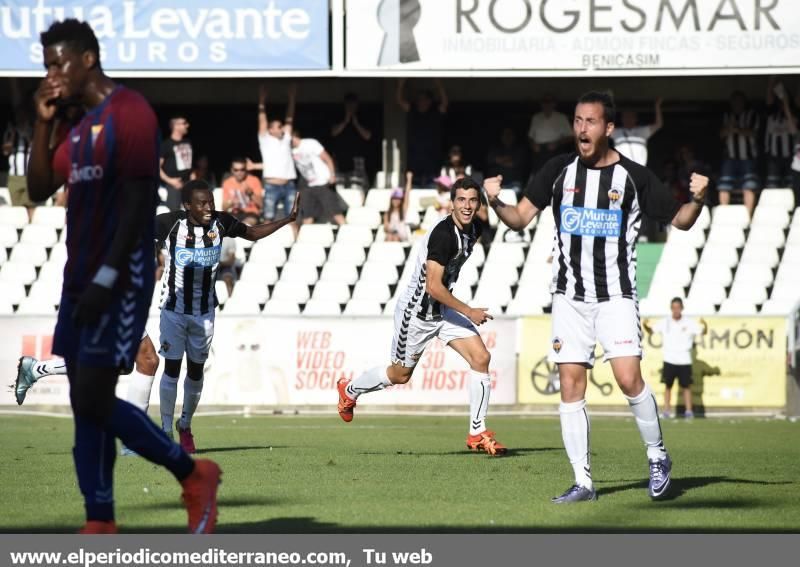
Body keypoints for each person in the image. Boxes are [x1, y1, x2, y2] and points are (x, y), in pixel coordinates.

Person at [25, 19, 220, 533]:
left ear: (87, 59)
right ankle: (101, 521)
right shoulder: (80, 128)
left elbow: (137, 203)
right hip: (80, 277)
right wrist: (41, 122)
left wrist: (108, 278)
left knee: (91, 396)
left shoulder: (129, 111)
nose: (52, 74)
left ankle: (191, 473)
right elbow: (40, 187)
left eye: (58, 63)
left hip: (121, 275)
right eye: (46, 65)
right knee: (84, 400)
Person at [484, 91, 709, 503]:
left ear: (608, 128)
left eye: (590, 121)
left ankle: (658, 456)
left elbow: (681, 220)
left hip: (615, 296)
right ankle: (583, 482)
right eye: (577, 120)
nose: (581, 129)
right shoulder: (556, 170)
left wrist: (696, 198)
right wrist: (495, 199)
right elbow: (518, 219)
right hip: (568, 296)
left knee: (628, 379)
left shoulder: (635, 177)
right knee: (570, 383)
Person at [337, 177, 507, 456]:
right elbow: (433, 286)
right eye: (461, 200)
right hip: (417, 314)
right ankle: (350, 390)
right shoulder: (443, 235)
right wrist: (469, 311)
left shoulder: (474, 226)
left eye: (473, 200)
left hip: (443, 311)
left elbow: (497, 222)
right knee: (399, 375)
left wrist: (493, 196)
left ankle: (477, 432)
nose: (467, 205)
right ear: (451, 203)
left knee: (481, 358)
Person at [156, 180, 299, 454]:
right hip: (173, 310)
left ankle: (184, 425)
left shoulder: (221, 223)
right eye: (202, 203)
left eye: (210, 201)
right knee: (172, 368)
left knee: (196, 372)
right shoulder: (170, 224)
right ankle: (164, 432)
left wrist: (288, 219)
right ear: (188, 206)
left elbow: (253, 233)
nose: (209, 207)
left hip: (205, 312)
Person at [643, 298, 707, 419]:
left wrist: (705, 325)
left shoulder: (689, 322)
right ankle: (667, 411)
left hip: (684, 360)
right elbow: (651, 331)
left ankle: (689, 411)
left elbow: (703, 332)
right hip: (669, 359)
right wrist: (645, 325)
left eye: (678, 307)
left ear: (682, 308)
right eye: (674, 307)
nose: (676, 310)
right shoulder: (665, 321)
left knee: (686, 386)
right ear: (671, 308)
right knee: (668, 386)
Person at [246, 84, 297, 222]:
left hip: (289, 184)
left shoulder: (286, 139)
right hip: (272, 185)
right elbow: (262, 121)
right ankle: (265, 243)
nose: (282, 128)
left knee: (293, 218)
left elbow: (289, 119)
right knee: (268, 218)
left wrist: (292, 99)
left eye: (282, 126)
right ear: (271, 130)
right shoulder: (265, 140)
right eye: (278, 127)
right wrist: (261, 102)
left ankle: (295, 240)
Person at [397, 79, 448, 187]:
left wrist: (439, 85)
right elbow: (400, 101)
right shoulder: (413, 111)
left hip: (432, 169)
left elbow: (444, 103)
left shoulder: (435, 112)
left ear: (429, 101)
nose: (421, 102)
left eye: (424, 99)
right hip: (414, 169)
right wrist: (401, 84)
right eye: (419, 99)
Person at [290, 129, 347, 225]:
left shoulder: (310, 143)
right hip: (308, 185)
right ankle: (306, 238)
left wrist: (332, 175)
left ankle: (348, 234)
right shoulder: (290, 150)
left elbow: (327, 158)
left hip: (323, 182)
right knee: (307, 216)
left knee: (335, 213)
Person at [719, 91, 760, 215]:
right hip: (730, 158)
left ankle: (748, 217)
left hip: (748, 158)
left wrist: (737, 129)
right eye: (734, 101)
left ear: (744, 102)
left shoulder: (751, 115)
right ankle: (724, 215)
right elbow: (721, 134)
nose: (737, 104)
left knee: (749, 186)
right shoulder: (727, 116)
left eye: (739, 101)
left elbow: (754, 133)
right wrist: (729, 129)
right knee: (724, 186)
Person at [330, 92, 372, 189]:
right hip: (340, 159)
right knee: (339, 188)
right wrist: (346, 121)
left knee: (357, 188)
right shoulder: (338, 116)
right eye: (349, 104)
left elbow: (367, 136)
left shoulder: (362, 116)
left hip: (357, 160)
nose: (351, 107)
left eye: (353, 104)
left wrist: (356, 123)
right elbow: (333, 133)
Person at [610, 97, 663, 166]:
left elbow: (658, 124)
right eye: (625, 117)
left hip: (639, 170)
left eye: (630, 117)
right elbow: (601, 128)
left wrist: (657, 106)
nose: (628, 119)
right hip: (621, 169)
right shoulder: (616, 132)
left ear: (635, 119)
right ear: (622, 119)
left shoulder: (642, 131)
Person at [528, 93, 572, 173]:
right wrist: (533, 144)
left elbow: (570, 137)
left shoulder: (561, 117)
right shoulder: (536, 117)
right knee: (538, 175)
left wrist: (557, 143)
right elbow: (530, 136)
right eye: (544, 102)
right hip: (538, 152)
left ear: (554, 104)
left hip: (555, 151)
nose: (547, 104)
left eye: (549, 102)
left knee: (555, 174)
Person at [764, 77, 794, 189]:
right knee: (772, 185)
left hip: (790, 155)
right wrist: (771, 81)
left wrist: (785, 100)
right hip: (773, 156)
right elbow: (769, 101)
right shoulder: (771, 113)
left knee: (791, 185)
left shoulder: (792, 115)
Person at [159, 114, 193, 211]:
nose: (187, 125)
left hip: (188, 183)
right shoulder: (166, 144)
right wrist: (170, 181)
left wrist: (193, 176)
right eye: (184, 123)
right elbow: (157, 167)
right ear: (176, 126)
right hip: (174, 185)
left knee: (192, 212)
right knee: (175, 214)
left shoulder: (187, 142)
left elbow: (189, 163)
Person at [222, 156, 263, 225]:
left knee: (245, 225)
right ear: (232, 170)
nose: (239, 172)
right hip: (234, 214)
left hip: (251, 214)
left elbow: (261, 205)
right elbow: (223, 207)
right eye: (236, 170)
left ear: (246, 169)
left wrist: (251, 194)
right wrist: (231, 202)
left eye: (242, 169)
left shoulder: (254, 180)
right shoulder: (227, 183)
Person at [486, 127, 528, 193]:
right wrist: (506, 159)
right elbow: (490, 160)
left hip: (514, 184)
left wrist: (499, 160)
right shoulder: (495, 148)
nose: (507, 137)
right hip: (495, 184)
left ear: (514, 136)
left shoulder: (519, 149)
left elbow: (514, 164)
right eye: (505, 134)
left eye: (509, 134)